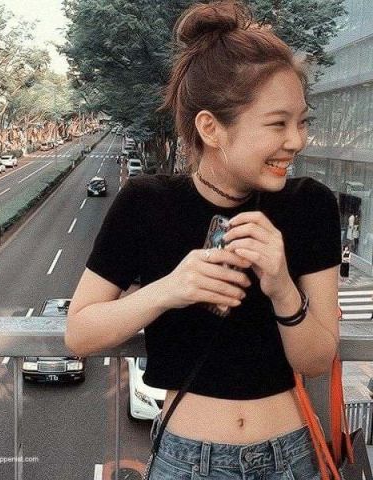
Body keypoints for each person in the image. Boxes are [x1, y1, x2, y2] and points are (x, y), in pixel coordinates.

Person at [65, 1, 341, 479]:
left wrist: (281, 286)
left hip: (290, 458)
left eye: (302, 122)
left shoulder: (309, 204)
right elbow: (79, 333)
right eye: (278, 123)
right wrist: (170, 289)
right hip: (186, 460)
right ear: (211, 127)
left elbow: (315, 360)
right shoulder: (146, 202)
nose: (296, 140)